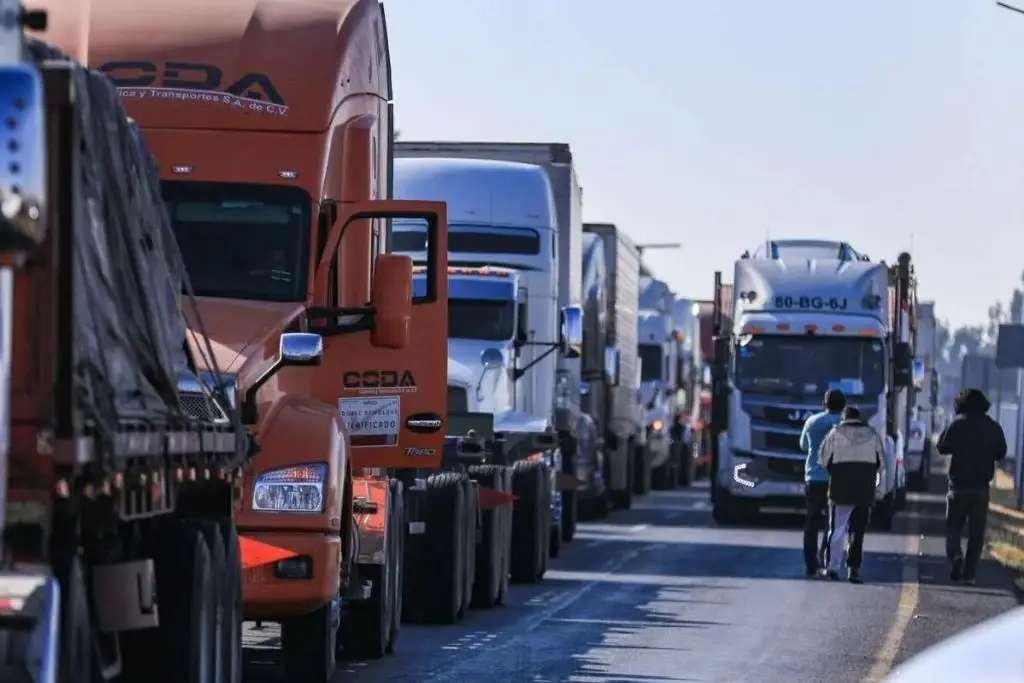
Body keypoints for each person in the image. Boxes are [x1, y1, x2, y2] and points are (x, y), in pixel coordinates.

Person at [936, 388, 1007, 585]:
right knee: (977, 534)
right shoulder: (992, 426)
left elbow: (942, 446)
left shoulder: (957, 424)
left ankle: (956, 555)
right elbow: (1002, 452)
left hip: (958, 486)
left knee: (954, 527)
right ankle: (969, 575)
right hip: (981, 488)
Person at [818, 406, 885, 584]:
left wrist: (837, 473)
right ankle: (853, 569)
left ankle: (832, 568)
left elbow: (823, 460)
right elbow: (881, 463)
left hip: (840, 489)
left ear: (844, 418)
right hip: (865, 490)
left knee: (837, 530)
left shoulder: (834, 433)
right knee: (858, 532)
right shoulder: (873, 435)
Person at [799, 389, 846, 576]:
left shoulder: (812, 422)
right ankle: (826, 559)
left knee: (812, 520)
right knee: (832, 522)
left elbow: (803, 445)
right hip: (835, 478)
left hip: (813, 477)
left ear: (824, 404)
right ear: (842, 406)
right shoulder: (842, 426)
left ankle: (810, 562)